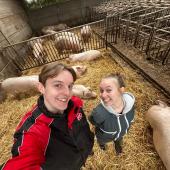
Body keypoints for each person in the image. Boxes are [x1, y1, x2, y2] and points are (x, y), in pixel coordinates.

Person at [0, 63, 94, 170]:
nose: (67, 93)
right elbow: (23, 162)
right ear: (41, 88)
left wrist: (88, 145)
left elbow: (83, 129)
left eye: (70, 86)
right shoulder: (32, 132)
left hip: (80, 157)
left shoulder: (76, 103)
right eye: (58, 85)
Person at [88, 73, 135, 155]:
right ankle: (102, 146)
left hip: (121, 133)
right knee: (102, 141)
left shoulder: (131, 106)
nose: (102, 95)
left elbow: (131, 119)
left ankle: (118, 146)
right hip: (104, 136)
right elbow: (92, 120)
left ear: (121, 90)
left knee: (119, 139)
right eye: (101, 91)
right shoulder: (99, 113)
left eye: (108, 90)